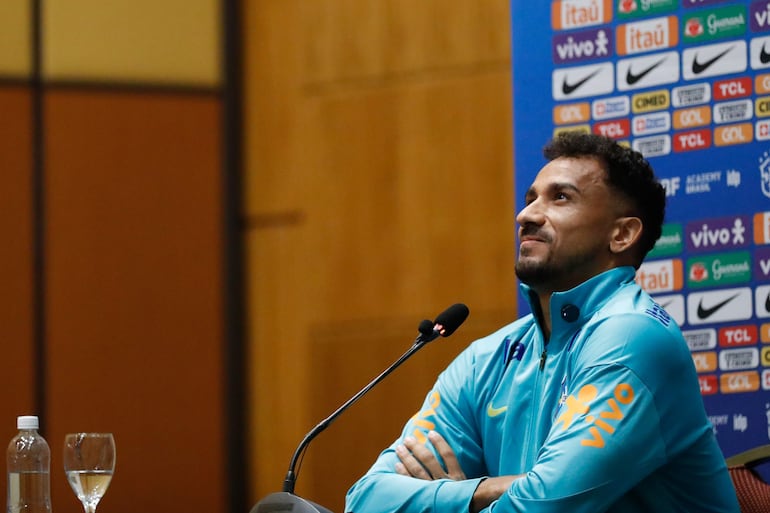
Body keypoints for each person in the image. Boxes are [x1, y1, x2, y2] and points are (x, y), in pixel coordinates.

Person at [344, 132, 740, 513]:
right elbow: (365, 500)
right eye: (531, 198)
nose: (526, 214)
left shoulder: (633, 337)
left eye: (561, 198)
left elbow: (544, 506)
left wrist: (452, 497)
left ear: (621, 234)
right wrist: (485, 490)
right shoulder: (486, 359)